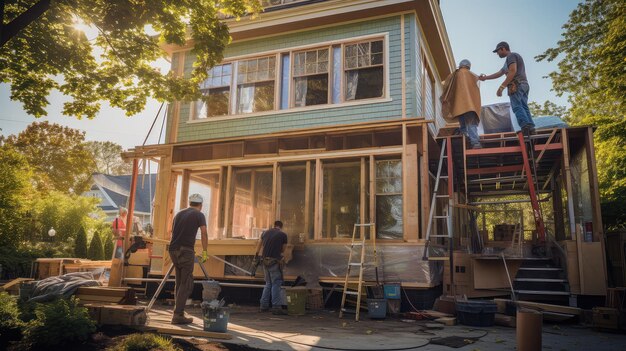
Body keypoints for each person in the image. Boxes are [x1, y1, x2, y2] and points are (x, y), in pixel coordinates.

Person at [479, 41, 535, 136]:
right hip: (524, 85)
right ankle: (531, 127)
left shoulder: (511, 56)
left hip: (517, 85)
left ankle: (525, 127)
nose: (497, 54)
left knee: (517, 107)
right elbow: (500, 73)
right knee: (523, 106)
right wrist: (486, 78)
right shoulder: (508, 61)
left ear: (503, 48)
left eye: (498, 51)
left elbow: (513, 71)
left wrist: (502, 87)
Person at [168, 193, 209, 324]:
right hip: (186, 251)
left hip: (173, 250)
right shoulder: (199, 215)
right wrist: (205, 252)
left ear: (190, 203)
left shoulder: (179, 214)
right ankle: (178, 315)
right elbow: (204, 232)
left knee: (179, 282)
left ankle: (178, 311)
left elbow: (172, 233)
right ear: (200, 205)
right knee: (186, 283)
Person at [441, 59, 482, 149]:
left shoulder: (455, 75)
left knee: (463, 125)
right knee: (471, 124)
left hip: (458, 106)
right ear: (468, 66)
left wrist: (445, 98)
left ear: (460, 65)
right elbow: (477, 88)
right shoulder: (473, 76)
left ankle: (465, 141)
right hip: (470, 106)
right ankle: (475, 143)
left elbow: (446, 85)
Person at [254, 220, 288, 315]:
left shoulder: (265, 233)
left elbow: (259, 245)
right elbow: (283, 249)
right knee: (276, 283)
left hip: (264, 261)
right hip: (274, 261)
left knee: (268, 283)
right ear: (281, 227)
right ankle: (276, 307)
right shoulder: (283, 235)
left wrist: (256, 255)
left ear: (273, 226)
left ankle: (263, 306)